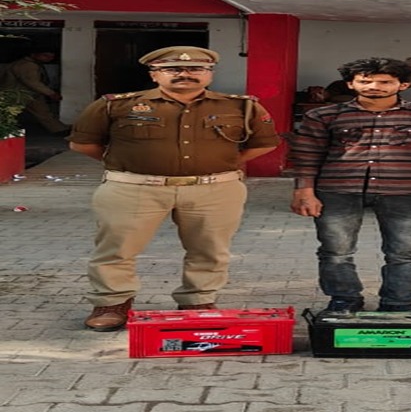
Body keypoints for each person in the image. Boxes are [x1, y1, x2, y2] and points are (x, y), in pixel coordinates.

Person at [68, 46, 280, 331]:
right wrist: (127, 163)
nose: (185, 74)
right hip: (134, 188)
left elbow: (265, 143)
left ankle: (198, 301)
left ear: (209, 74)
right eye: (173, 69)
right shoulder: (114, 105)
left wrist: (223, 163)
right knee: (116, 248)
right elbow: (82, 144)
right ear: (154, 74)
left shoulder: (242, 107)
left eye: (196, 69)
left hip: (214, 190)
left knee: (210, 249)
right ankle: (111, 303)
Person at [289, 58, 411, 313]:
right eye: (365, 81)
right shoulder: (323, 115)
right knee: (335, 251)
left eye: (385, 82)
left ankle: (398, 303)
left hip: (405, 192)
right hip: (338, 190)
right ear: (350, 84)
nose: (374, 87)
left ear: (403, 85)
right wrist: (304, 191)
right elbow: (307, 155)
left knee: (404, 253)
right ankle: (344, 300)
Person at [0, 48, 69, 134]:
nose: (49, 58)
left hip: (28, 94)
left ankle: (60, 129)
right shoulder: (27, 65)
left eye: (51, 57)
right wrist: (51, 93)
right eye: (45, 56)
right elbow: (32, 82)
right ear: (34, 54)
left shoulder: (27, 64)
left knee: (44, 113)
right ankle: (59, 130)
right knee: (8, 114)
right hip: (19, 94)